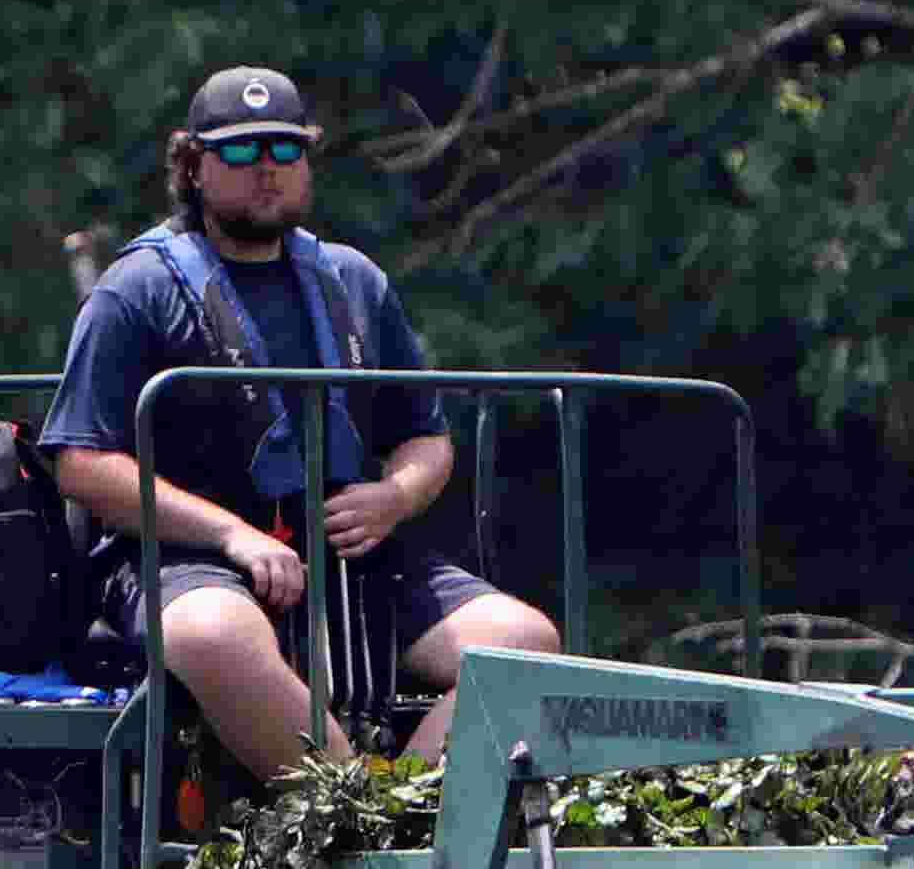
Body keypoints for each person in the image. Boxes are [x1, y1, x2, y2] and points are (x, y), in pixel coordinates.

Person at [40, 62, 556, 791]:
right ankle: (349, 810)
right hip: (187, 560)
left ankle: (401, 810)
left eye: (284, 151)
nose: (266, 171)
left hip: (353, 555)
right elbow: (81, 462)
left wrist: (395, 497)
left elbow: (426, 439)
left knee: (526, 645)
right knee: (212, 631)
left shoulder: (355, 280)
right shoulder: (136, 289)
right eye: (241, 152)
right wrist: (231, 534)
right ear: (192, 165)